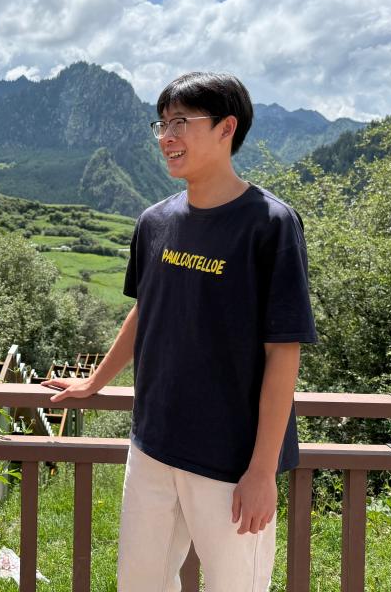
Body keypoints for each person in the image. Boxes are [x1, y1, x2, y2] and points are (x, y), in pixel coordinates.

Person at [44, 72, 317, 591]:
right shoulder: (155, 221)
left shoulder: (270, 223)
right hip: (152, 446)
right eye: (162, 124)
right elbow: (146, 311)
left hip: (230, 460)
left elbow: (283, 352)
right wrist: (95, 382)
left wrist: (262, 472)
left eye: (181, 123)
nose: (167, 137)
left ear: (226, 128)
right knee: (139, 584)